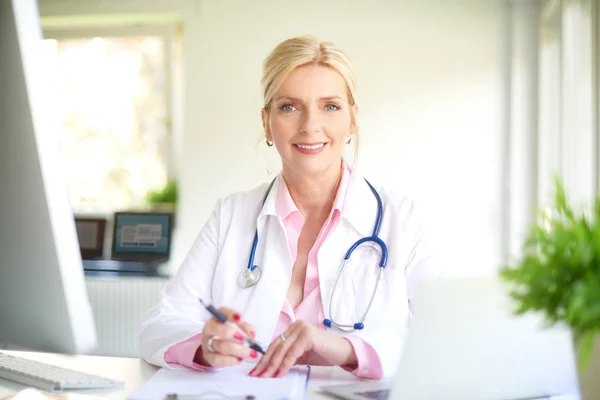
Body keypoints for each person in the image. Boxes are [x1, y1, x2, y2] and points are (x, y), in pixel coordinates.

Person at [139, 35, 443, 380]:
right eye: (289, 107)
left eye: (330, 106)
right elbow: (158, 325)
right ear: (267, 121)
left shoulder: (400, 219)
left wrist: (346, 349)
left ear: (352, 119)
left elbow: (449, 336)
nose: (310, 125)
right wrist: (202, 346)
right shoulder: (231, 215)